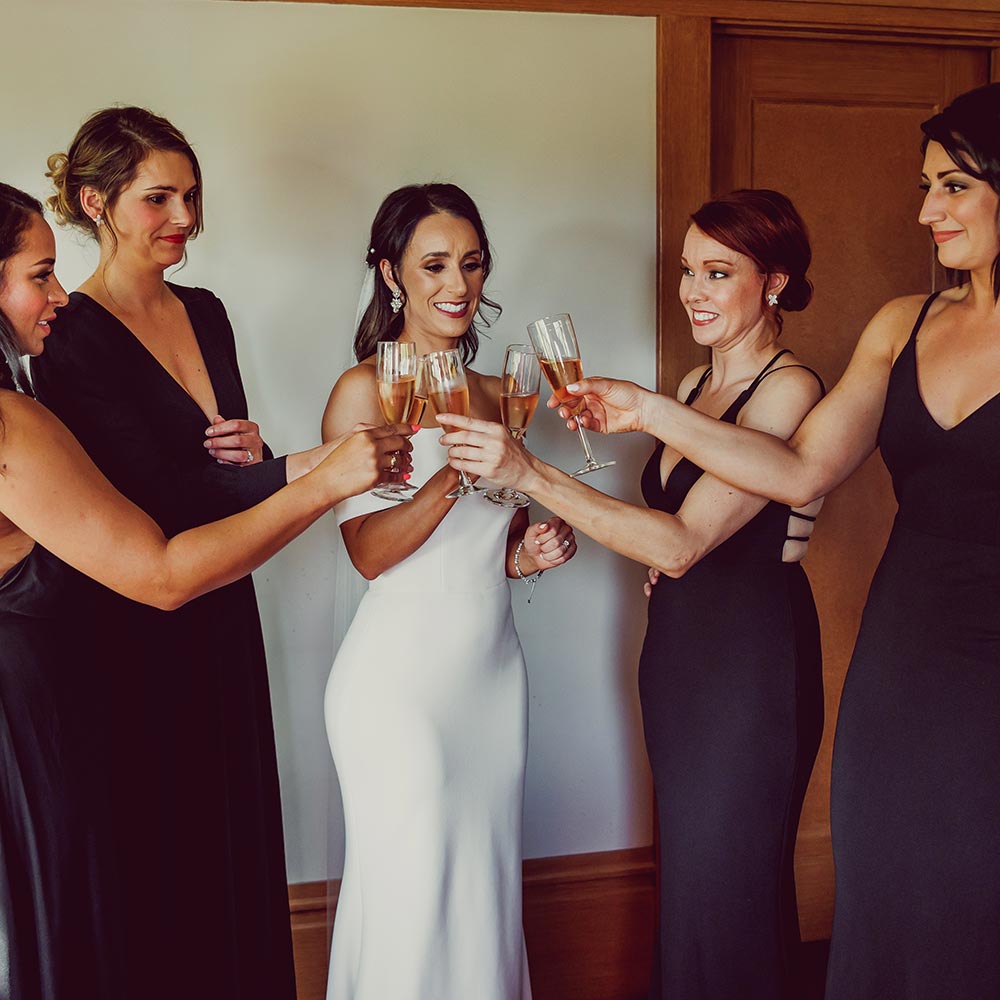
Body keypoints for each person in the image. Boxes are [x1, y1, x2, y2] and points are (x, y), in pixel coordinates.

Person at [533, 83, 1000, 999]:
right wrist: (648, 406)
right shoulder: (902, 324)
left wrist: (536, 472)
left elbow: (689, 536)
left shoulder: (786, 375)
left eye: (951, 187)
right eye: (925, 186)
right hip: (902, 658)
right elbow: (796, 474)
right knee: (887, 890)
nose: (925, 210)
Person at [0, 182, 411, 1000]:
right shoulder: (15, 425)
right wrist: (323, 486)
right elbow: (161, 573)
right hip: (41, 720)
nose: (57, 295)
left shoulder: (40, 398)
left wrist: (279, 467)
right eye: (39, 276)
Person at [438, 188, 826, 999]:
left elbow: (682, 544)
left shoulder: (791, 391)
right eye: (688, 271)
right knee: (694, 879)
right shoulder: (689, 386)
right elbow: (681, 532)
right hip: (680, 653)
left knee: (732, 886)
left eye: (718, 273)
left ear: (776, 283)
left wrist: (529, 471)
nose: (693, 291)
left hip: (753, 661)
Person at [320, 183, 576, 1000]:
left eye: (470, 263)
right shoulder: (361, 393)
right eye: (434, 265)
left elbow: (482, 547)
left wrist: (526, 553)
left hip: (493, 680)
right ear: (391, 275)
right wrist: (454, 479)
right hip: (398, 690)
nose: (457, 285)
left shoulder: (504, 394)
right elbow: (367, 553)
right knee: (409, 894)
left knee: (482, 890)